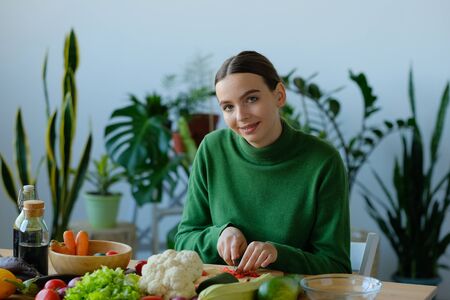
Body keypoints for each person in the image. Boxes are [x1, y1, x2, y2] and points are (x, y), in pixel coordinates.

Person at [174, 51, 351, 275]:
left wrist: (278, 254)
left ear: (279, 95)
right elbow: (184, 240)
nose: (241, 116)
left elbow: (336, 266)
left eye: (251, 99)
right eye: (228, 107)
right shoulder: (212, 149)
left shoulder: (323, 161)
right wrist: (218, 236)